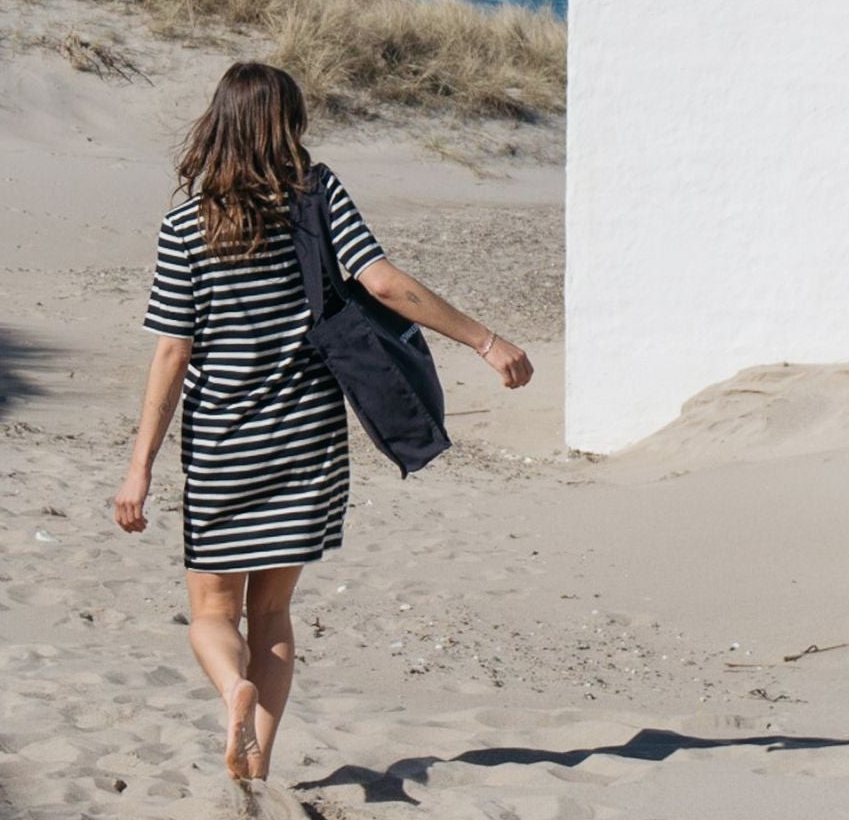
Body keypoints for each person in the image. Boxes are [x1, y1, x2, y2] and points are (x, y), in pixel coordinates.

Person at [111, 61, 533, 782]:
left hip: (222, 440)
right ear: (289, 125)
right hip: (307, 436)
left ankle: (230, 690)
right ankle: (257, 765)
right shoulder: (317, 195)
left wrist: (140, 467)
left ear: (217, 124)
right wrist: (486, 342)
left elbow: (172, 352)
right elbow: (384, 283)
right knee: (271, 616)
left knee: (212, 612)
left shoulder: (184, 225)